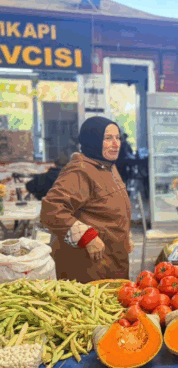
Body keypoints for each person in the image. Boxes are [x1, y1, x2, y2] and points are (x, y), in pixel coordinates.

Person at [41, 117, 133, 283]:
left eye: (117, 138)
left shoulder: (107, 166)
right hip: (89, 268)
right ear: (93, 140)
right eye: (108, 138)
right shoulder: (80, 171)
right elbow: (52, 210)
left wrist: (125, 233)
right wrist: (86, 237)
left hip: (112, 259)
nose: (115, 144)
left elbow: (105, 209)